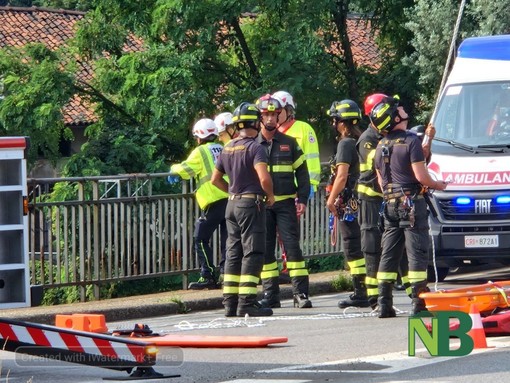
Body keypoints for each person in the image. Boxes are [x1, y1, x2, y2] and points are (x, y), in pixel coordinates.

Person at [371, 96, 448, 318]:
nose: (403, 108)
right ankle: (419, 304)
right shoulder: (411, 140)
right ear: (395, 117)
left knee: (389, 254)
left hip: (390, 205)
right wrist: (438, 184)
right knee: (417, 253)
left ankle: (384, 304)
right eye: (399, 108)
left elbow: (381, 179)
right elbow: (421, 176)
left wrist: (429, 140)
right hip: (411, 204)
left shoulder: (381, 145)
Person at [211, 102, 275, 317]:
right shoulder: (256, 148)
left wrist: (231, 190)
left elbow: (214, 179)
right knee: (253, 251)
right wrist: (270, 196)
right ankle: (247, 303)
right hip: (250, 204)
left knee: (233, 252)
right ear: (256, 123)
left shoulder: (228, 147)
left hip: (231, 204)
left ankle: (230, 303)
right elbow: (264, 177)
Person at [255, 94, 312, 309]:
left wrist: (303, 199)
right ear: (260, 118)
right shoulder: (254, 144)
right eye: (267, 115)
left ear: (280, 116)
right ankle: (271, 294)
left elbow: (303, 174)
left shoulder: (290, 143)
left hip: (286, 204)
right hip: (262, 206)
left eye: (274, 115)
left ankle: (301, 294)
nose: (271, 119)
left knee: (292, 248)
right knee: (266, 249)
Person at [168, 118, 228, 290]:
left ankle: (207, 275)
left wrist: (173, 170)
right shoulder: (222, 148)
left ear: (200, 136)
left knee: (200, 238)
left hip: (213, 199)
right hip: (230, 198)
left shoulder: (200, 151)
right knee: (227, 239)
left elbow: (186, 170)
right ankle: (226, 274)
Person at [325, 99, 368, 308]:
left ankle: (360, 291)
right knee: (364, 244)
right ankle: (368, 288)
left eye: (335, 120)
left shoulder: (345, 143)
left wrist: (331, 199)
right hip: (364, 200)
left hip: (349, 202)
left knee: (352, 246)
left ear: (340, 122)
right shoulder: (363, 140)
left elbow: (341, 176)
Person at [272, 90, 321, 199]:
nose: (275, 113)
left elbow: (311, 157)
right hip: (276, 189)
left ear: (289, 111)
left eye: (279, 110)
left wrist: (310, 184)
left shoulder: (304, 129)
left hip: (298, 186)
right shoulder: (271, 131)